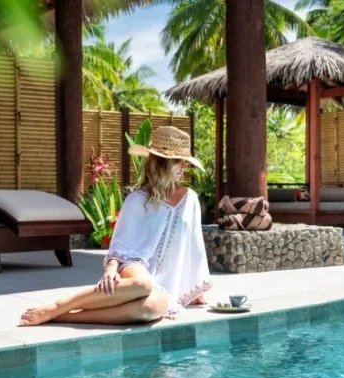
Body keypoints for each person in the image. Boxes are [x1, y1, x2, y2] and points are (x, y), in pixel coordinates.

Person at [20, 126, 211, 326]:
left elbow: (194, 247)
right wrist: (111, 269)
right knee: (142, 284)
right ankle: (58, 306)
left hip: (166, 284)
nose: (185, 166)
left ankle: (63, 316)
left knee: (150, 309)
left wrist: (198, 289)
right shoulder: (137, 200)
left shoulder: (190, 199)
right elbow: (121, 244)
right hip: (135, 265)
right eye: (180, 161)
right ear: (163, 163)